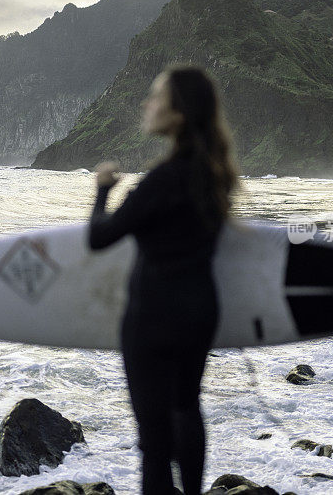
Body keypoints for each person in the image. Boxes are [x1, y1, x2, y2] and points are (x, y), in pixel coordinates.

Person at [88, 65, 237, 495]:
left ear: (178, 113)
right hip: (200, 311)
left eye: (156, 97)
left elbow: (101, 237)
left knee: (154, 443)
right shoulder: (214, 175)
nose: (146, 104)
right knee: (187, 408)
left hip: (152, 319)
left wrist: (102, 190)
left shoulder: (163, 179)